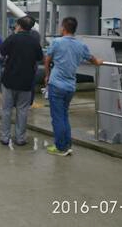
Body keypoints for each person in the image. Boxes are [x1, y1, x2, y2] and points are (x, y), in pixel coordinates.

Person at [44, 17, 103, 156]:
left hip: (56, 84)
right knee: (64, 115)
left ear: (63, 28)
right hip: (70, 86)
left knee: (57, 117)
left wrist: (47, 76)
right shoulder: (81, 45)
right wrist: (99, 61)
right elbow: (92, 59)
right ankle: (67, 145)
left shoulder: (57, 42)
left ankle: (60, 147)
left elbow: (47, 59)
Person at [0, 16, 43, 146]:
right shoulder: (34, 41)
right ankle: (20, 138)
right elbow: (40, 57)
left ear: (19, 25)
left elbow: (1, 53)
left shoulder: (12, 38)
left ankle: (5, 137)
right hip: (26, 81)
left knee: (6, 110)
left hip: (9, 79)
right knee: (23, 110)